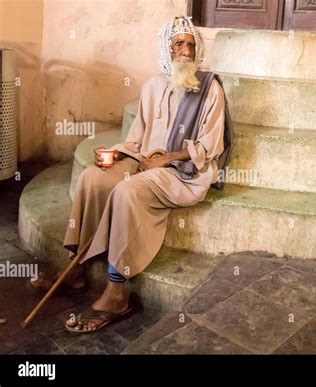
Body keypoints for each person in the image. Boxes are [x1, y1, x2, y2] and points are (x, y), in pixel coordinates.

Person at [32, 16, 232, 333]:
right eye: (178, 44)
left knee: (127, 192)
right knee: (92, 179)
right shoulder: (152, 87)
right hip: (144, 161)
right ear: (166, 49)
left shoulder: (209, 89)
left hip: (183, 172)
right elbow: (136, 139)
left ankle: (116, 292)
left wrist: (165, 159)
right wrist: (117, 155)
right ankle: (77, 269)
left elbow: (210, 146)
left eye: (191, 44)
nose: (185, 51)